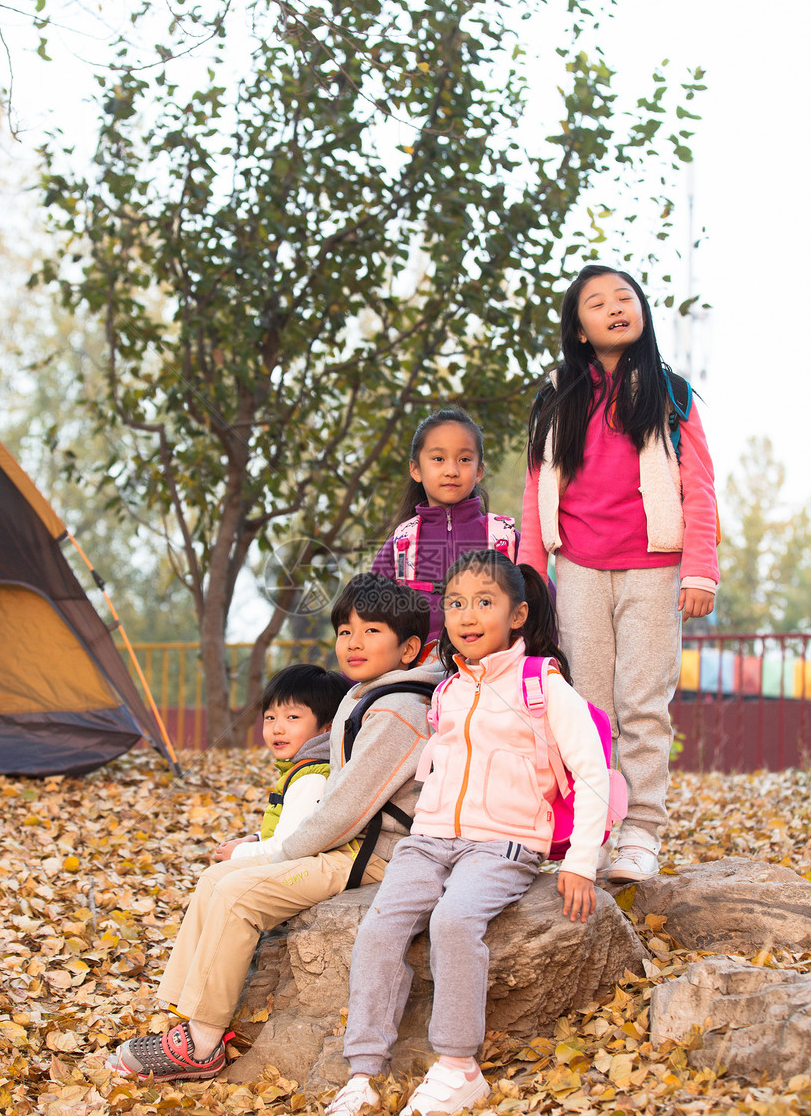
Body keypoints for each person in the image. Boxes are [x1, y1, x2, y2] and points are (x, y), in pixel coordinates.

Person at [107, 573, 441, 1082]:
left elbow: (344, 811)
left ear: (410, 647)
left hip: (373, 857)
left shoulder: (399, 710)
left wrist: (275, 855)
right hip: (346, 846)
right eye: (345, 630)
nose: (353, 642)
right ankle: (188, 1017)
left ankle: (201, 1047)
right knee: (214, 880)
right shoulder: (364, 695)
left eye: (372, 631)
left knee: (239, 894)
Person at [323, 550, 609, 1116]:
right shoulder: (449, 688)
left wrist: (582, 861)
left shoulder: (542, 685)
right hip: (428, 841)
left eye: (484, 602)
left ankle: (458, 1069)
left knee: (454, 922)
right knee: (380, 927)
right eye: (455, 603)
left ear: (518, 614)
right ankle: (362, 1075)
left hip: (502, 845)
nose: (467, 615)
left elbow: (593, 770)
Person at [518, 264, 719, 884]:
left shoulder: (669, 392)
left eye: (623, 298)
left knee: (643, 703)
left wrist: (699, 572)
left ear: (641, 312)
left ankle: (641, 832)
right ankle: (596, 827)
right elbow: (535, 489)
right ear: (578, 329)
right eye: (596, 303)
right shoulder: (556, 396)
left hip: (654, 571)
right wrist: (530, 575)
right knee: (587, 707)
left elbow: (700, 487)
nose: (613, 308)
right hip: (577, 568)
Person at [372, 407, 519, 644]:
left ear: (479, 470)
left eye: (464, 459)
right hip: (416, 671)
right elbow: (370, 619)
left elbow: (542, 606)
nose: (452, 471)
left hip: (493, 668)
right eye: (438, 459)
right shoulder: (401, 544)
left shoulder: (505, 539)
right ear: (415, 469)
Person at [214, 663, 349, 865]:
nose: (277, 728)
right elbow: (293, 828)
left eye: (292, 717)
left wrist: (238, 853)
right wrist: (256, 839)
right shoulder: (303, 770)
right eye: (270, 717)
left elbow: (286, 846)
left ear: (328, 727)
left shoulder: (312, 777)